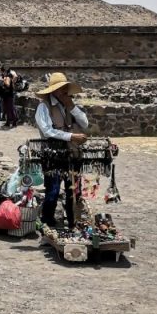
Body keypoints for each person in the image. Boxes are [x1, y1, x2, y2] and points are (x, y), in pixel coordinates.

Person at [35, 72, 89, 230]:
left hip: (72, 154)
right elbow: (47, 131)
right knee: (53, 191)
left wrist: (71, 106)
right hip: (53, 155)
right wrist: (71, 136)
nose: (64, 91)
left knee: (74, 191)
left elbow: (85, 123)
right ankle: (48, 223)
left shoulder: (70, 105)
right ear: (53, 90)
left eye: (65, 88)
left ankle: (73, 222)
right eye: (61, 89)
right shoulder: (44, 106)